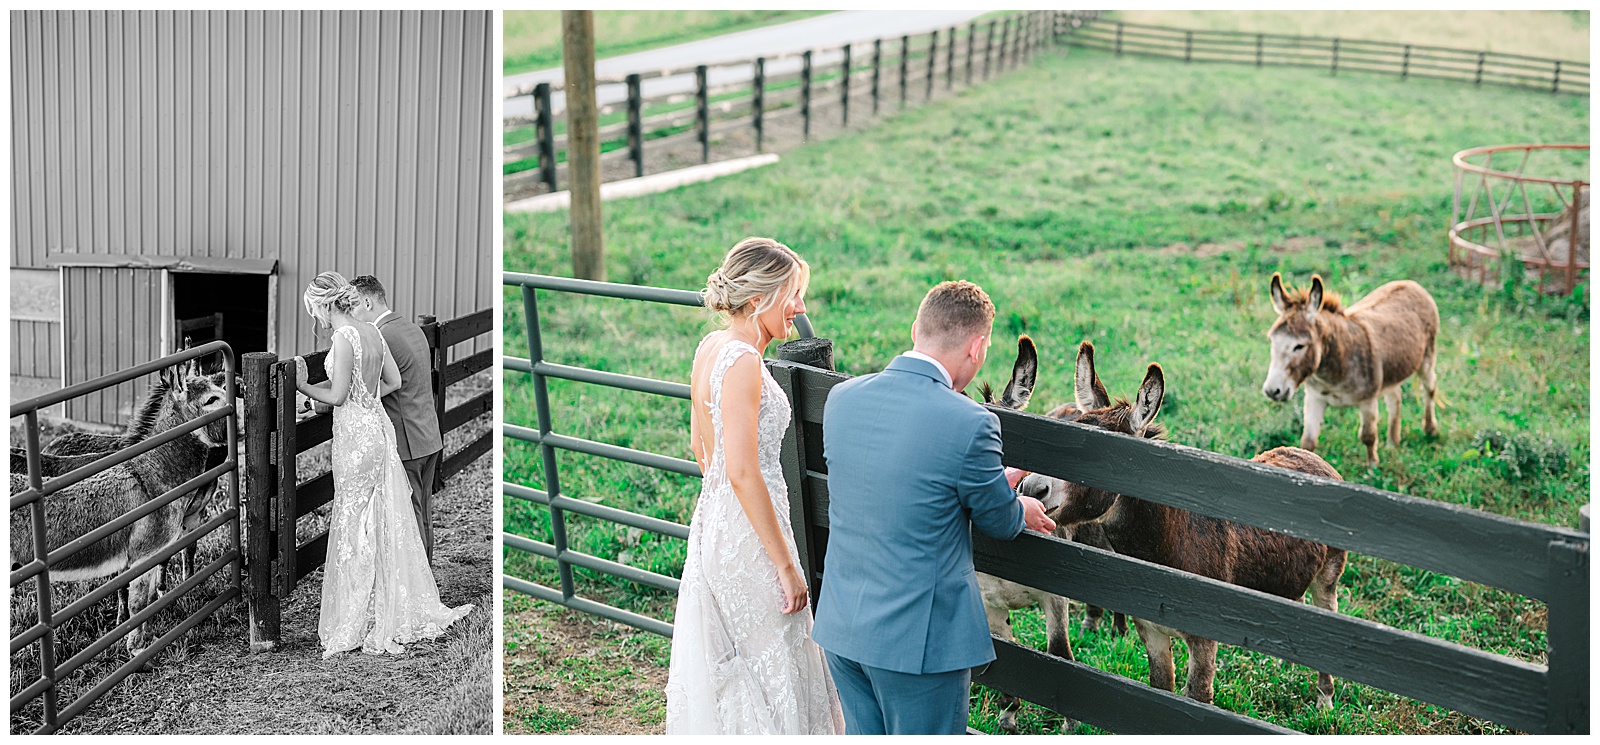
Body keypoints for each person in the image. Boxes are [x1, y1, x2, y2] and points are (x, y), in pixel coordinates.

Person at [811, 280, 1055, 735]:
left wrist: (984, 484)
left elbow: (899, 482)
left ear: (914, 330)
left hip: (844, 627)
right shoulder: (971, 422)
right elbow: (999, 522)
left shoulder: (842, 399)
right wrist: (1017, 506)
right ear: (978, 347)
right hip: (917, 643)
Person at [663, 237, 844, 735]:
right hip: (750, 536)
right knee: (775, 662)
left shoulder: (710, 348)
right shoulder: (742, 362)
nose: (800, 307)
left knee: (744, 662)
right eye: (793, 293)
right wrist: (786, 565)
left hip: (717, 525)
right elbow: (741, 471)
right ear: (762, 296)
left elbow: (703, 451)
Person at [295, 271, 471, 658]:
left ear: (325, 305)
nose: (316, 321)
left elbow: (339, 396)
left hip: (356, 437)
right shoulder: (372, 331)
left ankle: (360, 614)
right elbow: (391, 383)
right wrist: (367, 397)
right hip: (378, 429)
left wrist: (302, 384)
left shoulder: (343, 337)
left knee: (355, 521)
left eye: (315, 311)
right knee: (383, 516)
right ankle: (389, 602)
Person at [349, 274, 445, 562]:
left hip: (407, 443)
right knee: (422, 510)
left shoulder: (381, 337)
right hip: (428, 435)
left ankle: (421, 587)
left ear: (367, 302)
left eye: (352, 305)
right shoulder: (412, 328)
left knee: (411, 516)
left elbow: (363, 387)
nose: (350, 313)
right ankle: (424, 577)